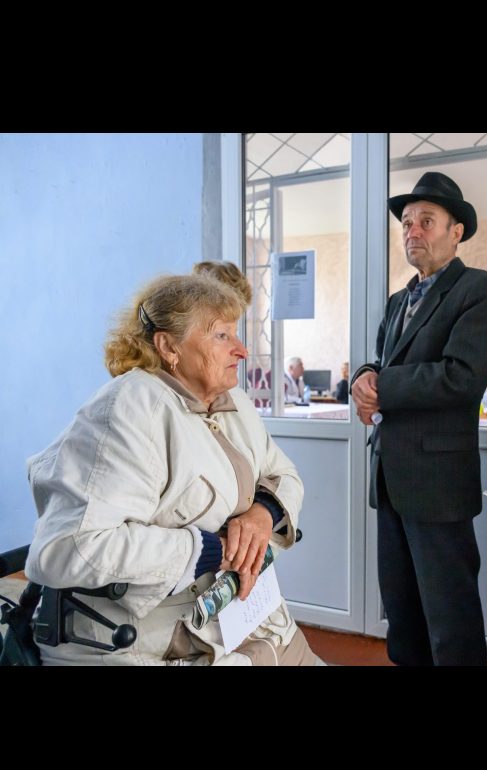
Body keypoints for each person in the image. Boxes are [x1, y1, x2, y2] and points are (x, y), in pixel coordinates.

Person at [25, 273, 323, 665]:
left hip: (245, 620)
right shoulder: (127, 410)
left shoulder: (233, 402)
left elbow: (283, 473)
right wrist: (205, 550)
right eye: (221, 336)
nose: (241, 350)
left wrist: (262, 513)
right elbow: (66, 550)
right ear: (168, 346)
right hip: (148, 641)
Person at [351, 171, 487, 666]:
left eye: (426, 222)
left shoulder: (479, 289)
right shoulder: (400, 301)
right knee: (403, 610)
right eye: (407, 224)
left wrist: (383, 389)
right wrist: (364, 376)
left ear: (456, 231)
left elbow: (461, 377)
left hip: (438, 481)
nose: (412, 232)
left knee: (450, 613)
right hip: (391, 476)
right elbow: (383, 361)